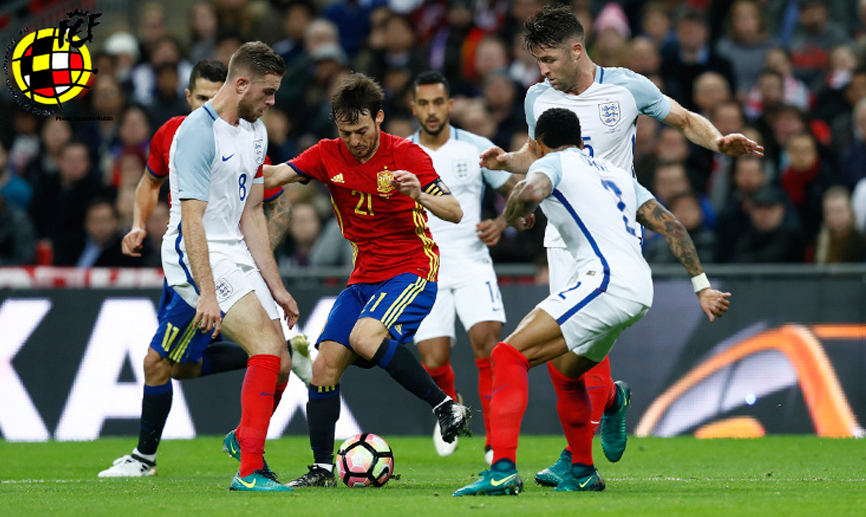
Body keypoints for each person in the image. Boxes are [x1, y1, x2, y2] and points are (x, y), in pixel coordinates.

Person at [478, 5, 761, 486]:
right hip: (562, 234)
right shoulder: (537, 97)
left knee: (562, 344)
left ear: (576, 49)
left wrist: (718, 143)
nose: (543, 71)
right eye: (538, 61)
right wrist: (507, 160)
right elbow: (536, 153)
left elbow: (684, 119)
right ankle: (595, 430)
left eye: (549, 59)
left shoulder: (627, 87)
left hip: (613, 234)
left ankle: (567, 454)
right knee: (566, 358)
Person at [454, 107, 730, 496]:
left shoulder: (552, 163)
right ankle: (583, 470)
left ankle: (501, 470)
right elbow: (673, 226)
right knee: (566, 375)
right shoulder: (618, 175)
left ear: (538, 145)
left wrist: (504, 220)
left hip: (604, 281)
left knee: (507, 356)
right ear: (581, 140)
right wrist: (701, 286)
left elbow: (529, 192)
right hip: (638, 287)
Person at [99, 59, 311, 480]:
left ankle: (228, 445)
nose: (272, 102)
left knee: (263, 360)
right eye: (201, 97)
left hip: (230, 256)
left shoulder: (253, 131)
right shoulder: (184, 133)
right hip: (196, 259)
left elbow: (264, 209)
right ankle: (239, 462)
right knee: (170, 364)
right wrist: (139, 224)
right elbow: (158, 191)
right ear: (190, 96)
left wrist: (269, 280)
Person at [265, 73, 470, 488]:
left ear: (379, 117)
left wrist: (420, 195)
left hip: (412, 268)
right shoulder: (327, 154)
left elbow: (454, 211)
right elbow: (271, 177)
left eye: (362, 131)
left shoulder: (407, 155)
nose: (355, 141)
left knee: (363, 337)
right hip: (363, 277)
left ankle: (446, 406)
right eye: (346, 133)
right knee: (323, 367)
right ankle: (322, 470)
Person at [408, 71, 520, 461]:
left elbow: (515, 194)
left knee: (489, 345)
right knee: (433, 359)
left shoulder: (476, 148)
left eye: (438, 103)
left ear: (450, 105)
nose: (432, 111)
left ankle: (494, 441)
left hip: (473, 261)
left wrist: (502, 223)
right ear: (414, 107)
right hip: (425, 266)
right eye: (424, 104)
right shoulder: (403, 152)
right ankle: (449, 405)